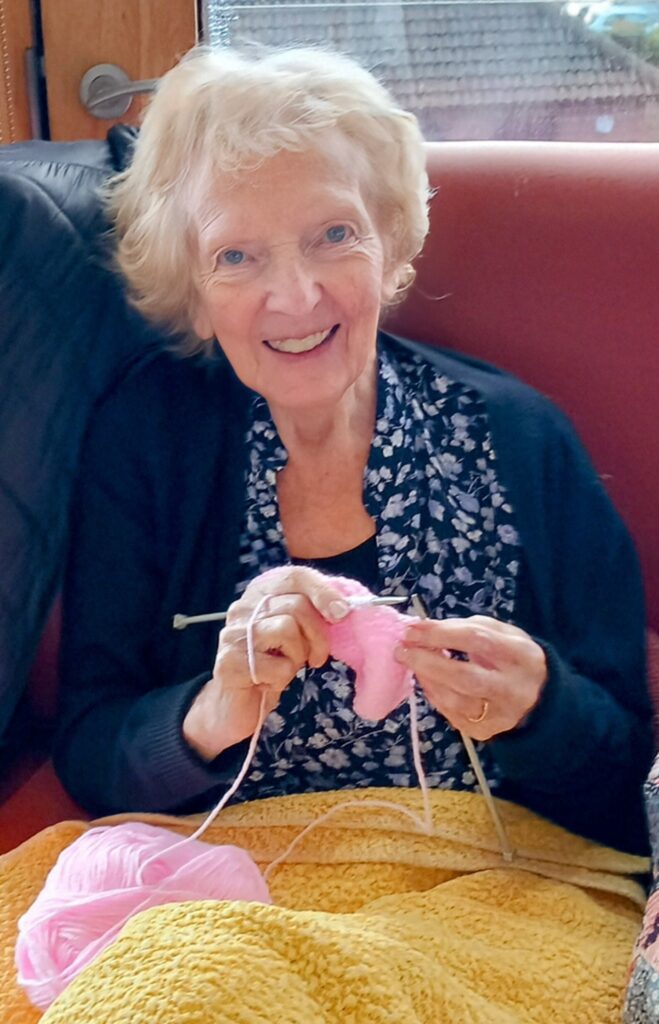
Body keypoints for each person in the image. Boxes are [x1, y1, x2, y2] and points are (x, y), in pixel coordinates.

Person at [53, 44, 653, 855]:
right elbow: (90, 750)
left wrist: (541, 712)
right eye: (237, 255)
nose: (296, 296)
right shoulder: (145, 439)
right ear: (193, 293)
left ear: (392, 248)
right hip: (228, 894)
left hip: (489, 887)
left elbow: (631, 774)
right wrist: (209, 713)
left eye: (333, 234)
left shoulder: (520, 439)